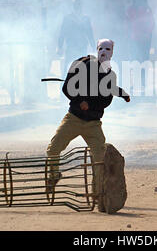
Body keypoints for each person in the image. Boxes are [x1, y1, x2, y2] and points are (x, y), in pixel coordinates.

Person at [46, 39, 130, 197]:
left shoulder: (110, 75)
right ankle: (53, 176)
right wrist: (79, 101)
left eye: (108, 49)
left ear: (112, 52)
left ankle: (98, 193)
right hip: (73, 118)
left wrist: (92, 105)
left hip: (93, 124)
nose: (104, 52)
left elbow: (107, 99)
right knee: (53, 149)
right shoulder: (82, 64)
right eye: (101, 49)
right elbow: (66, 88)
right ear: (97, 50)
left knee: (100, 159)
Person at [57, 0, 95, 77]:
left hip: (82, 46)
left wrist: (93, 46)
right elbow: (62, 33)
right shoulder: (68, 18)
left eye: (79, 5)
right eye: (76, 5)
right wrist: (60, 47)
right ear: (73, 6)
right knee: (69, 67)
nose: (78, 7)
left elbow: (90, 34)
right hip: (71, 46)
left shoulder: (85, 18)